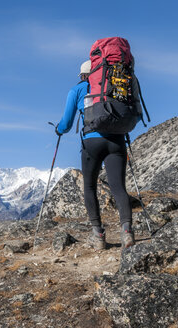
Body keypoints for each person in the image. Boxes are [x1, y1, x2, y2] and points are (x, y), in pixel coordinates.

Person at [55, 60, 134, 250]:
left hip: (92, 142)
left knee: (89, 186)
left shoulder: (78, 90)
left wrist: (58, 130)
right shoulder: (116, 84)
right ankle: (127, 232)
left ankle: (98, 235)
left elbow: (66, 123)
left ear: (83, 75)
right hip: (117, 140)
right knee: (118, 187)